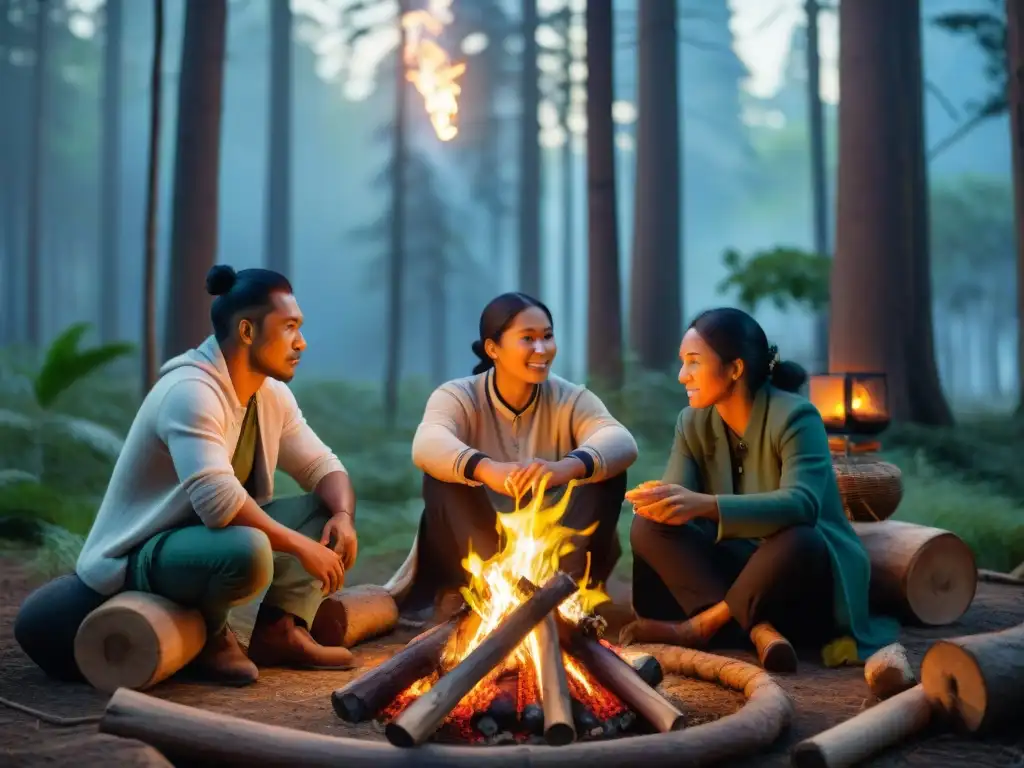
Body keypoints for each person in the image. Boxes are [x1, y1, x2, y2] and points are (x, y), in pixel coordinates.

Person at [14, 265, 361, 686]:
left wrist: (341, 515)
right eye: (289, 327)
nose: (300, 342)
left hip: (203, 543)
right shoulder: (190, 392)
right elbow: (218, 504)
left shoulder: (270, 395)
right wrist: (303, 550)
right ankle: (212, 637)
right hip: (144, 553)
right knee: (248, 550)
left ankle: (280, 631)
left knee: (324, 508)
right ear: (247, 331)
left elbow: (322, 466)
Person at [620, 307, 899, 671]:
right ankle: (757, 630)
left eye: (693, 362)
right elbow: (679, 499)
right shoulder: (692, 421)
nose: (681, 376)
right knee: (648, 527)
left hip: (799, 579)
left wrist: (704, 506)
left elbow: (802, 505)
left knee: (802, 538)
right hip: (738, 574)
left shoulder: (797, 416)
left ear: (735, 369)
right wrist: (659, 500)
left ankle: (702, 625)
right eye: (682, 363)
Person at [396, 292, 638, 614]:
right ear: (492, 348)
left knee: (603, 470)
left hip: (557, 553)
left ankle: (567, 592)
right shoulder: (459, 395)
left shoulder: (570, 398)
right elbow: (427, 443)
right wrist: (485, 469)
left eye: (547, 337)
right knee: (443, 476)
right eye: (528, 338)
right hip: (481, 551)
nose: (542, 349)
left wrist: (566, 467)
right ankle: (480, 594)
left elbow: (621, 441)